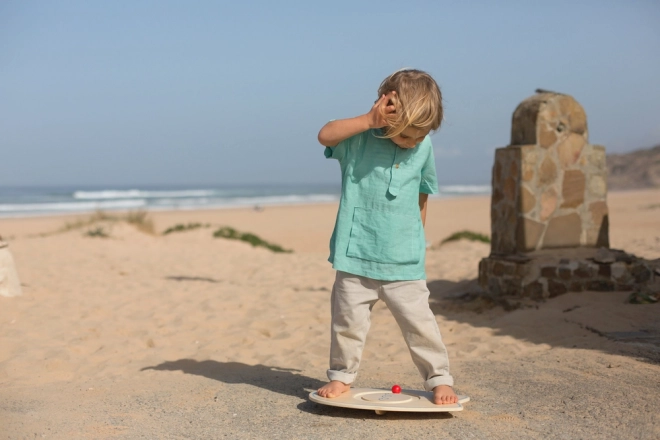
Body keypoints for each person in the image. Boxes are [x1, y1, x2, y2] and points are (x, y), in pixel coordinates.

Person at [316, 69, 457, 405]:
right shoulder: (358, 138)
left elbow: (422, 193)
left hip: (404, 260)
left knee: (420, 325)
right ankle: (342, 377)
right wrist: (368, 119)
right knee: (347, 324)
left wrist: (417, 241)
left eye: (419, 135)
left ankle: (439, 378)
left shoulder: (423, 147)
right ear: (386, 109)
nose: (412, 142)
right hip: (356, 254)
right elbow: (325, 135)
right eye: (406, 134)